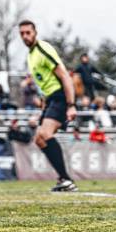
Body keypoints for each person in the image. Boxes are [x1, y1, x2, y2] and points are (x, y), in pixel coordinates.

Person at [19, 20, 78, 192]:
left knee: (45, 134)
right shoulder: (30, 55)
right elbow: (44, 84)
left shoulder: (43, 49)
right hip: (50, 99)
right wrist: (42, 109)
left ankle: (66, 180)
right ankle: (63, 179)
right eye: (22, 33)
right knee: (39, 139)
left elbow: (65, 76)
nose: (25, 36)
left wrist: (71, 105)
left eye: (28, 32)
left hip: (60, 96)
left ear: (35, 32)